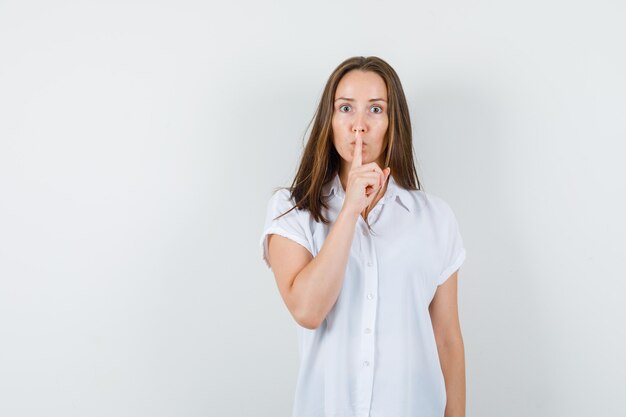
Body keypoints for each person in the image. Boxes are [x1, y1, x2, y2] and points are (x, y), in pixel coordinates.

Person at [259, 56, 467, 417]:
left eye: (375, 109)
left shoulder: (435, 218)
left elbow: (446, 338)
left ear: (392, 122)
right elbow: (307, 310)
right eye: (345, 108)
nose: (359, 125)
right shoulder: (292, 211)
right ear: (330, 121)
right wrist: (351, 209)